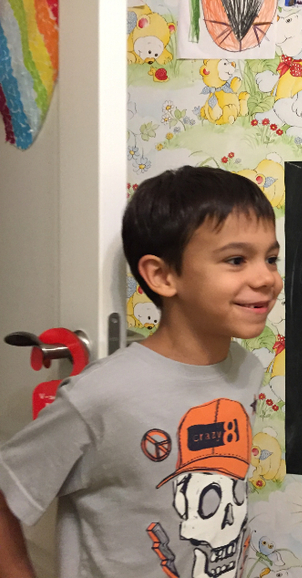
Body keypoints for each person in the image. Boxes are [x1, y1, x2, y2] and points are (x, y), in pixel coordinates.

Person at [0, 166, 283, 577]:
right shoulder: (100, 395)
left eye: (271, 258)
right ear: (163, 275)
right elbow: (8, 489)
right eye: (236, 260)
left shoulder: (246, 370)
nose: (266, 278)